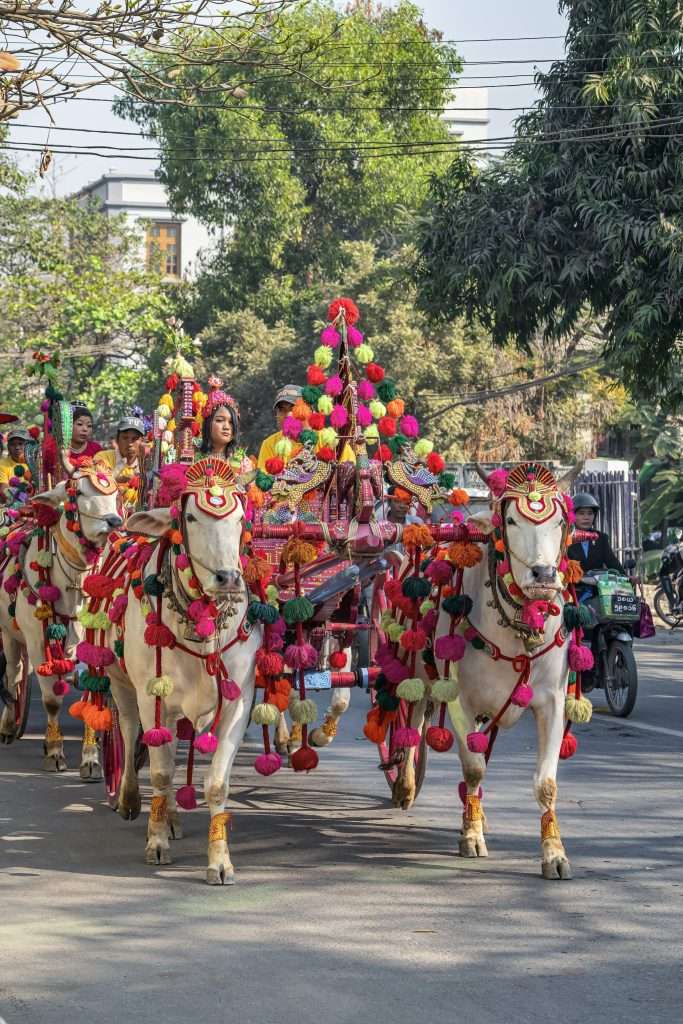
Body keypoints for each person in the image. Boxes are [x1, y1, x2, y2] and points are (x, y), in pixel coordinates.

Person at [257, 384, 355, 471]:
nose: (288, 415)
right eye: (282, 410)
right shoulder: (269, 444)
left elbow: (349, 474)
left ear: (310, 411)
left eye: (293, 408)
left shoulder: (329, 439)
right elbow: (265, 483)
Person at [567, 492, 625, 574]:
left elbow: (612, 563)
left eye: (590, 513)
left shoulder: (601, 538)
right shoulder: (565, 539)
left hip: (598, 585)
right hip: (572, 585)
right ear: (572, 516)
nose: (586, 517)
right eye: (581, 513)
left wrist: (627, 577)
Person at [199, 389, 252, 473]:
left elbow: (249, 485)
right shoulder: (195, 458)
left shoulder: (243, 463)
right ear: (208, 424)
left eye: (231, 422)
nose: (226, 427)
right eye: (220, 420)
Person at [0, 427, 31, 499]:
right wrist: (24, 497)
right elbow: (4, 491)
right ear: (8, 447)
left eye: (20, 444)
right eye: (13, 444)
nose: (17, 447)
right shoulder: (2, 464)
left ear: (28, 446)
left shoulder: (35, 462)